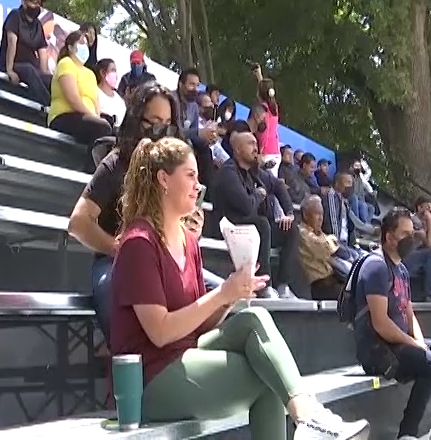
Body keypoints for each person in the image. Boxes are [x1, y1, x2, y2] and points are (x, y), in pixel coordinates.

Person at [109, 136, 370, 440]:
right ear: (163, 179)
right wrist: (221, 293)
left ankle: (309, 418)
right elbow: (161, 332)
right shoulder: (139, 243)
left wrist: (232, 297)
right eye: (190, 175)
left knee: (253, 318)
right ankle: (309, 420)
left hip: (187, 354)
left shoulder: (189, 241)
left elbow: (198, 325)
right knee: (270, 377)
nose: (198, 184)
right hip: (149, 379)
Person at [67, 82, 214, 341]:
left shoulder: (176, 171)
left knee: (222, 301)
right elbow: (78, 222)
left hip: (168, 262)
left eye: (169, 125)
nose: (162, 131)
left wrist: (191, 231)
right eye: (155, 122)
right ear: (138, 120)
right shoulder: (116, 163)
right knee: (121, 310)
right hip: (117, 263)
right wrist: (117, 247)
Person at [355, 207, 431, 440]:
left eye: (412, 233)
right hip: (378, 350)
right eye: (405, 234)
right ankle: (407, 434)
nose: (411, 239)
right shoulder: (376, 267)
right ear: (389, 237)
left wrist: (420, 342)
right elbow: (381, 323)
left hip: (400, 343)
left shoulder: (401, 269)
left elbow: (409, 312)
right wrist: (413, 344)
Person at [212, 132, 300, 299]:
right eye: (251, 144)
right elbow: (246, 207)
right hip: (230, 229)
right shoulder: (228, 172)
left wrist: (289, 214)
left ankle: (283, 286)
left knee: (291, 231)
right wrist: (260, 194)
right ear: (237, 149)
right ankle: (264, 287)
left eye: (256, 144)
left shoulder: (256, 173)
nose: (256, 148)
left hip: (255, 233)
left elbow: (279, 187)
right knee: (261, 223)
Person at [47, 31, 112, 171]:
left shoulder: (90, 73)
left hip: (84, 117)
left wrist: (97, 116)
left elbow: (96, 103)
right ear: (70, 47)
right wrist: (93, 116)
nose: (85, 47)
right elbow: (72, 98)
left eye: (87, 45)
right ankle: (90, 171)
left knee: (113, 128)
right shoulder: (66, 63)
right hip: (64, 116)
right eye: (81, 43)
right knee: (101, 127)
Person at [0, 0, 52, 105]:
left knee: (51, 79)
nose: (37, 7)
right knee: (29, 69)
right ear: (24, 2)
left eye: (39, 4)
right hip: (13, 65)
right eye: (34, 3)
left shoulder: (38, 25)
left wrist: (44, 75)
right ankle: (48, 105)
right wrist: (10, 70)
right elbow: (12, 42)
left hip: (31, 69)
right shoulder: (15, 15)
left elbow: (43, 52)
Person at [298, 195, 349, 300]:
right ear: (306, 215)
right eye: (317, 213)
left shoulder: (320, 234)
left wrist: (332, 240)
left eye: (322, 214)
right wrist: (332, 240)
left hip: (335, 280)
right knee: (358, 298)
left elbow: (335, 245)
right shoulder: (302, 233)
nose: (321, 218)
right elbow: (325, 247)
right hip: (320, 286)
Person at [252, 64, 280, 176]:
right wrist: (259, 76)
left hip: (266, 153)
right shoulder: (274, 108)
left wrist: (260, 152)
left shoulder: (261, 110)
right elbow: (265, 90)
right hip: (275, 151)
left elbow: (264, 132)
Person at [95, 58, 127, 129]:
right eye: (113, 70)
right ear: (102, 73)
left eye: (116, 71)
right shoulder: (95, 92)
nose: (116, 74)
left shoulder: (119, 99)